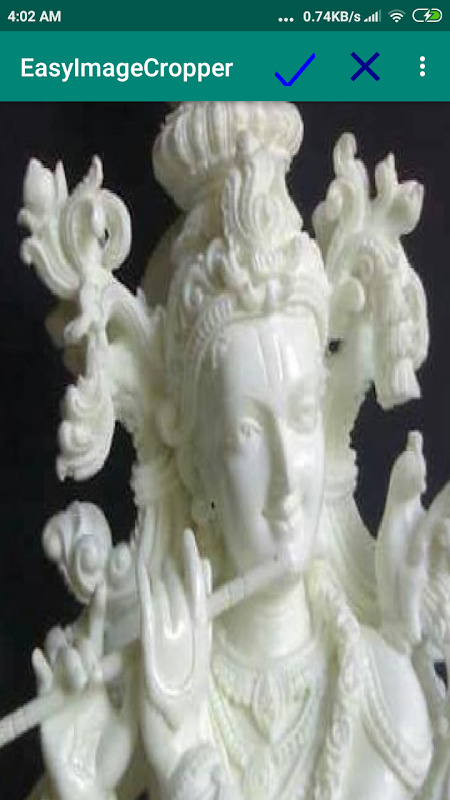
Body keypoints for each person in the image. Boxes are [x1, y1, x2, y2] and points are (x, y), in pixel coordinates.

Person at [19, 102, 450, 800]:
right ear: (196, 465)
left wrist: (183, 758)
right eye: (247, 435)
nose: (287, 484)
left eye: (302, 416)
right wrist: (82, 780)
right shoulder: (148, 690)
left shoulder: (388, 697)